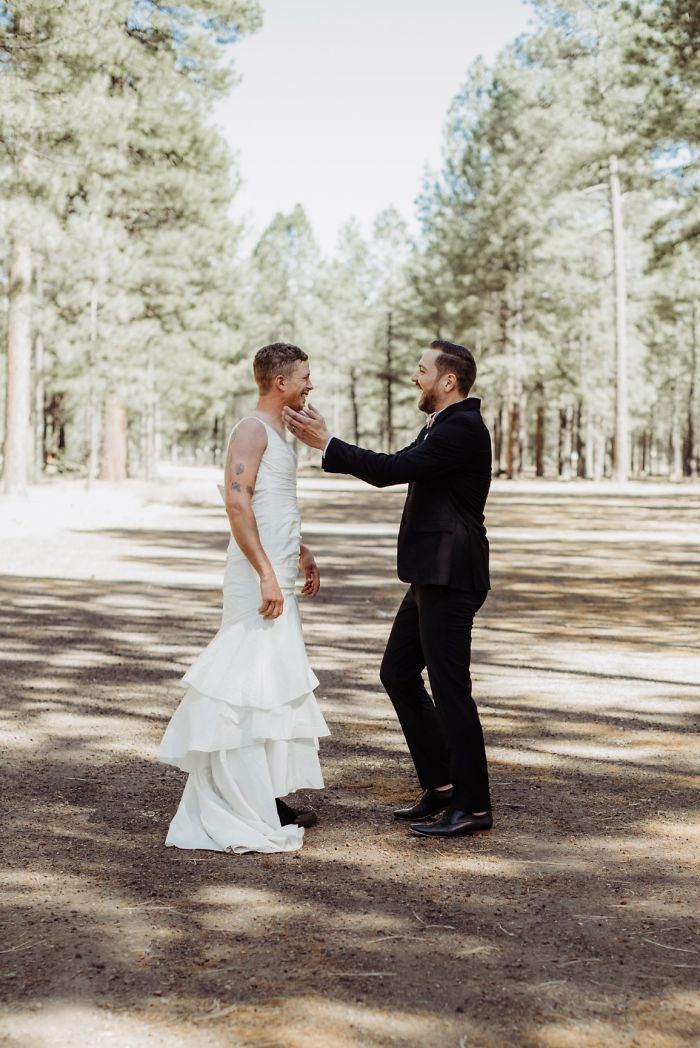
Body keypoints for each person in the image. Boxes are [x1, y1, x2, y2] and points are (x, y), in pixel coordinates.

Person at [283, 340, 492, 839]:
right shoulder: (442, 424)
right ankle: (442, 786)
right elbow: (401, 464)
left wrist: (328, 443)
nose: (415, 377)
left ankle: (473, 805)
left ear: (448, 380)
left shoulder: (462, 427)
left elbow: (392, 470)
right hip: (429, 575)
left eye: (422, 370)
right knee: (397, 673)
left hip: (450, 576)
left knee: (451, 690)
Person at [158, 342, 330, 854]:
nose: (310, 384)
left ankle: (262, 797)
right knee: (241, 688)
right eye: (304, 376)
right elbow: (237, 505)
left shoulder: (280, 431)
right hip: (257, 580)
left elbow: (272, 506)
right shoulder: (252, 430)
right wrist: (266, 574)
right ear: (281, 382)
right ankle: (234, 802)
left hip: (276, 569)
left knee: (268, 687)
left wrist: (299, 552)